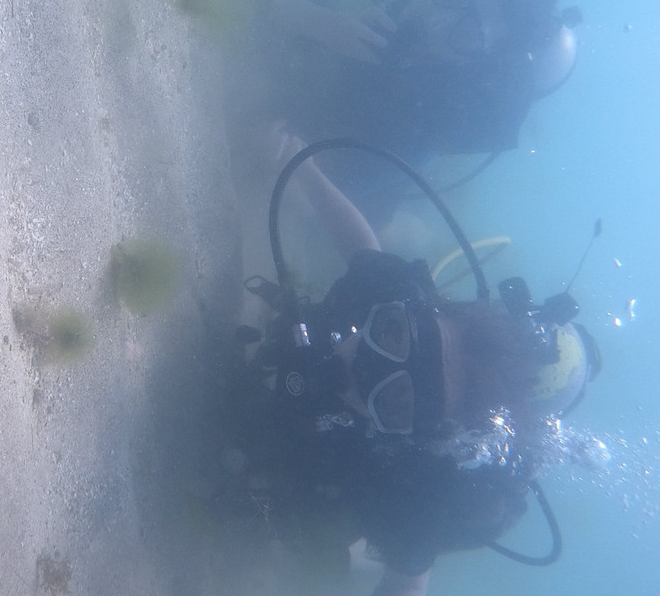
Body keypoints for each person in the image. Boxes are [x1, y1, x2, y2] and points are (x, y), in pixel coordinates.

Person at [215, 132, 601, 596]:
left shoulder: (421, 489)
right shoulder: (395, 288)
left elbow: (408, 582)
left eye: (397, 399)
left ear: (432, 432)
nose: (359, 366)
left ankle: (354, 556)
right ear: (419, 314)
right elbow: (361, 248)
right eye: (390, 334)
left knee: (323, 535)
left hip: (311, 482)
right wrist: (303, 168)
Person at [255, 0, 580, 229]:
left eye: (467, 32)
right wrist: (317, 21)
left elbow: (300, 202)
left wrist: (280, 158)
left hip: (365, 149)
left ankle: (410, 229)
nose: (435, 20)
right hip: (322, 90)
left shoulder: (440, 114)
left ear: (472, 63)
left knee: (387, 224)